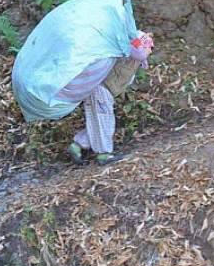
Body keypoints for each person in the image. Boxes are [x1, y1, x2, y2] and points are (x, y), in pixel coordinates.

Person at [63, 31, 154, 165]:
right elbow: (137, 49)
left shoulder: (134, 63)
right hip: (101, 88)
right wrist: (143, 41)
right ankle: (104, 154)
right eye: (149, 47)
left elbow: (139, 57)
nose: (150, 51)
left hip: (104, 91)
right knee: (105, 120)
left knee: (98, 121)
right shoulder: (124, 53)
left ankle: (77, 146)